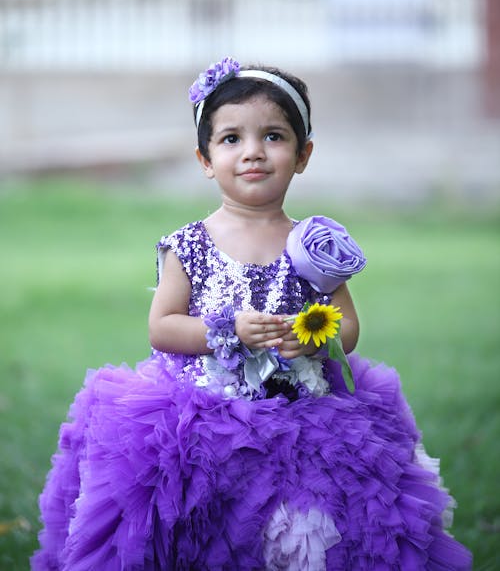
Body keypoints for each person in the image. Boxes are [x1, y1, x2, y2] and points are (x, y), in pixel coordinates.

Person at [32, 57, 472, 570]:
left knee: (316, 531)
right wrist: (229, 329)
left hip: (306, 416)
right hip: (202, 417)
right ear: (204, 157)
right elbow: (162, 327)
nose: (253, 153)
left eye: (273, 136)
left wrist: (315, 342)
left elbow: (346, 326)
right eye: (231, 139)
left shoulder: (312, 244)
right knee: (196, 527)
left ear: (303, 154)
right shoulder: (189, 244)